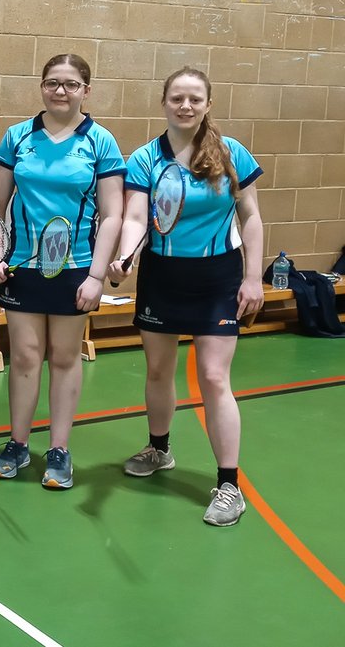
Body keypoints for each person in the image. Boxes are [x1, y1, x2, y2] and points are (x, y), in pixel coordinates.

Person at [108, 67, 264, 526]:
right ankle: (160, 449)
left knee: (214, 378)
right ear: (164, 103)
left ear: (208, 104)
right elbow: (136, 216)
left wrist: (253, 277)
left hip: (217, 277)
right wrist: (125, 256)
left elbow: (250, 216)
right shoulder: (143, 159)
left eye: (195, 98)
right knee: (159, 369)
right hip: (162, 275)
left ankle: (229, 484)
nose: (186, 105)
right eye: (177, 98)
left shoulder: (231, 152)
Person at [0, 53, 124, 490]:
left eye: (69, 83)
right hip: (21, 267)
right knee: (25, 357)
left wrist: (97, 275)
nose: (59, 90)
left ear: (86, 89)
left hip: (75, 269)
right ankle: (18, 444)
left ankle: (59, 450)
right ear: (42, 86)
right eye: (51, 82)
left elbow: (113, 213)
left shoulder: (100, 141)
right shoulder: (17, 136)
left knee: (64, 358)